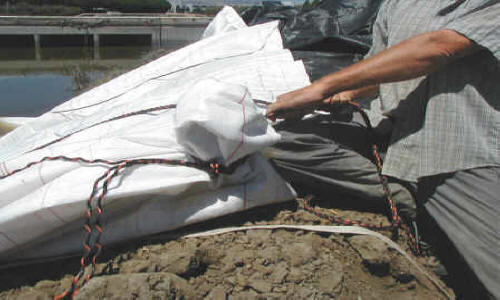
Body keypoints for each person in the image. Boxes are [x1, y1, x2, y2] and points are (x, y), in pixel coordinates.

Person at [266, 0, 499, 298]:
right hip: (391, 139)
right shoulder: (399, 3)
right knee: (280, 140)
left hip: (458, 153)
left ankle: (428, 208)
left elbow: (439, 47)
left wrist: (322, 87)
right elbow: (378, 67)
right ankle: (410, 201)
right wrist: (346, 93)